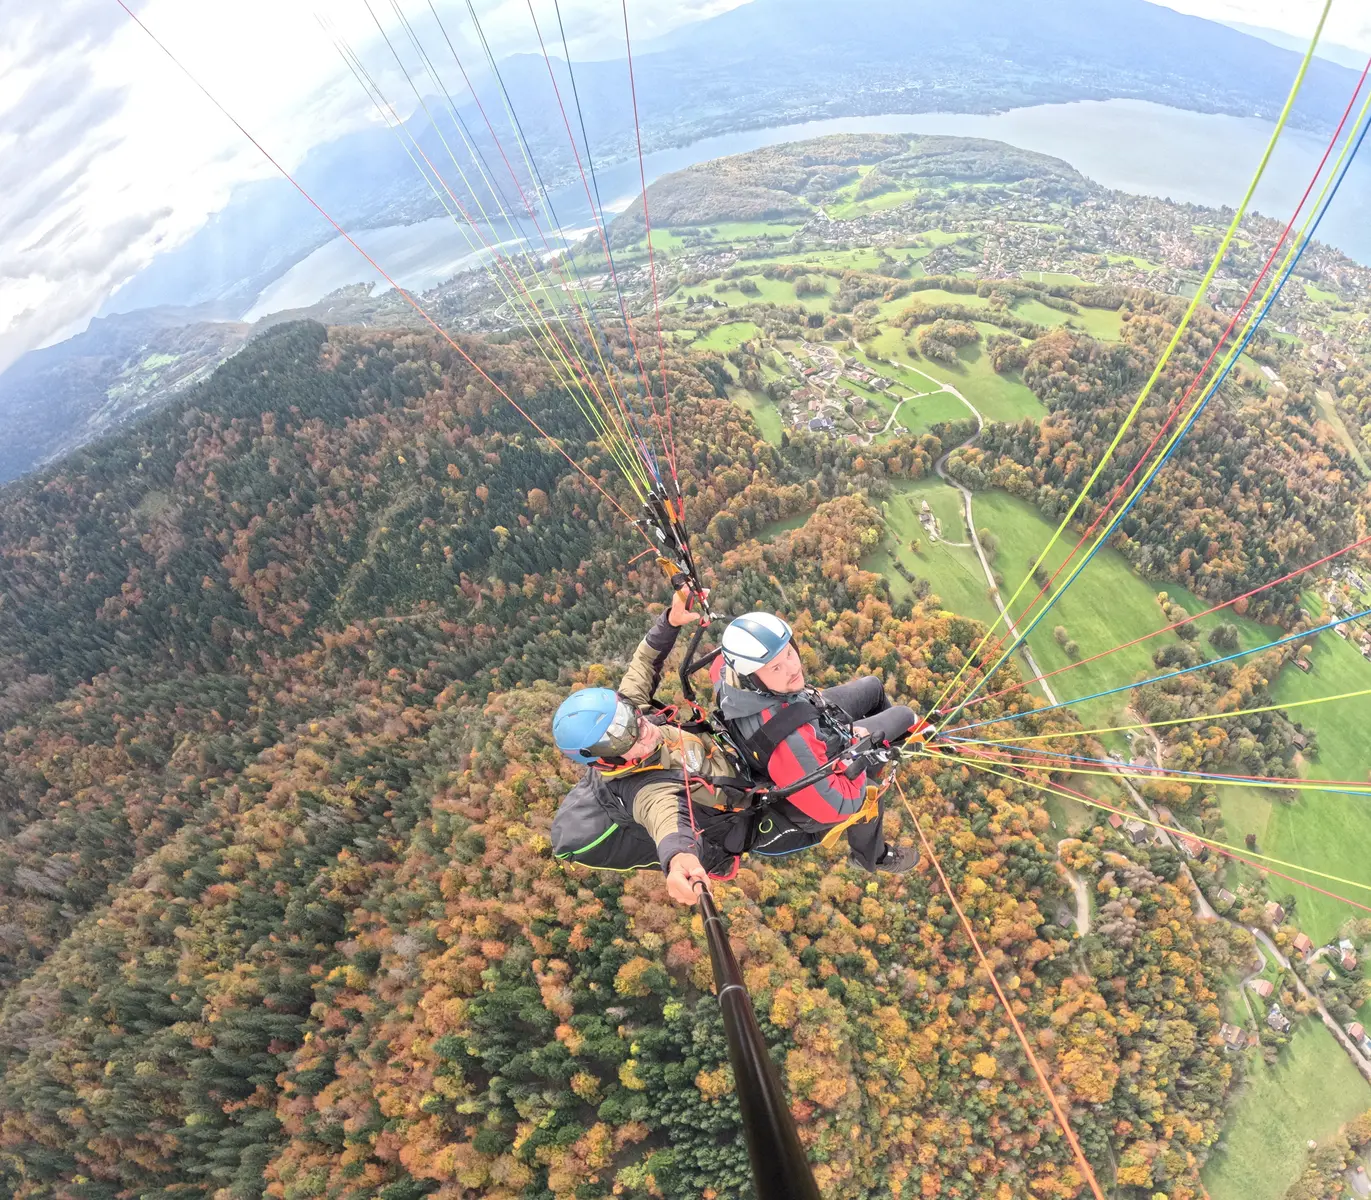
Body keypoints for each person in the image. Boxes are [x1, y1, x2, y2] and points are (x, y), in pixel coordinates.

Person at [551, 589, 736, 904]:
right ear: (606, 762)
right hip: (751, 789)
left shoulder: (627, 716)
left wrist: (670, 621)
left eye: (630, 715)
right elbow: (665, 820)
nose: (643, 729)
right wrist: (680, 860)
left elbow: (644, 663)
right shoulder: (644, 788)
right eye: (623, 737)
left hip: (726, 745)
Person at [716, 611, 922, 874]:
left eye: (789, 654)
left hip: (804, 711)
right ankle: (873, 856)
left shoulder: (731, 679)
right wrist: (856, 753)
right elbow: (838, 804)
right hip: (807, 797)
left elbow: (719, 664)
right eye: (775, 667)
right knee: (872, 789)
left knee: (873, 688)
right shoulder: (790, 743)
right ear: (753, 679)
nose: (793, 668)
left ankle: (887, 750)